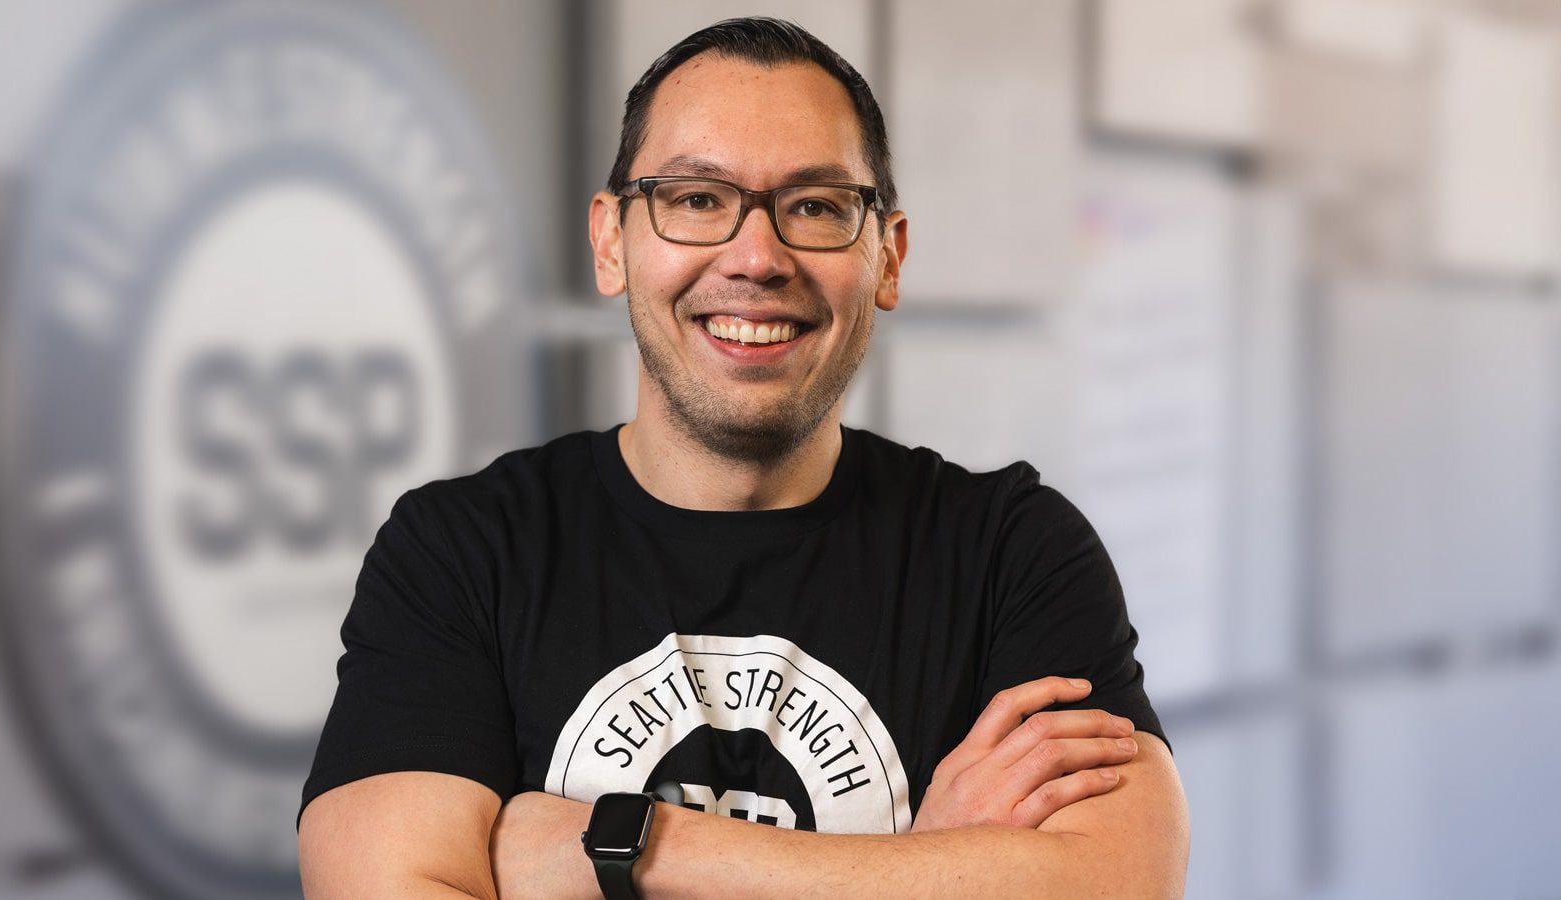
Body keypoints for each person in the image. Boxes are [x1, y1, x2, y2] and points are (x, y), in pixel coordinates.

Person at [298, 16, 1188, 899]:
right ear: (612, 242)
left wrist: (629, 849)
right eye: (695, 199)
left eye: (816, 207)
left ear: (888, 255)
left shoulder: (1013, 552)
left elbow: (1115, 881)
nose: (757, 257)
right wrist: (928, 860)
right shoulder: (462, 551)